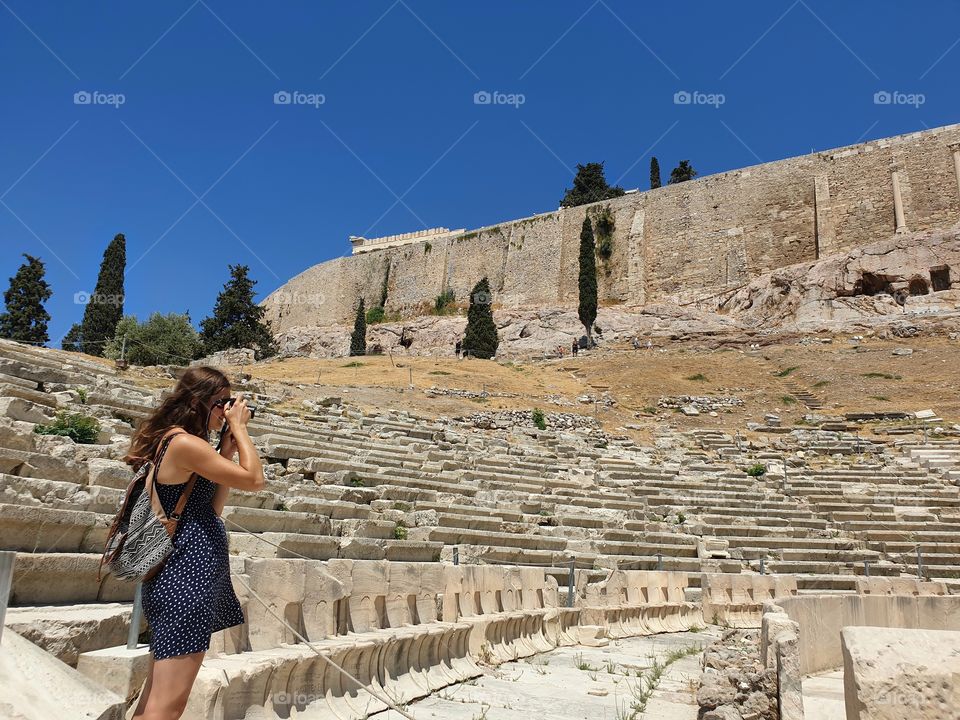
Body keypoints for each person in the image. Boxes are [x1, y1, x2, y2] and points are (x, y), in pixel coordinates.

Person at [125, 366, 265, 720]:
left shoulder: (188, 443)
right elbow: (254, 480)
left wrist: (226, 452)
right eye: (223, 403)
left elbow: (210, 510)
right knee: (167, 706)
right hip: (185, 580)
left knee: (156, 699)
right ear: (199, 401)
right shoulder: (184, 444)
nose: (228, 410)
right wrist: (241, 429)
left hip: (185, 578)